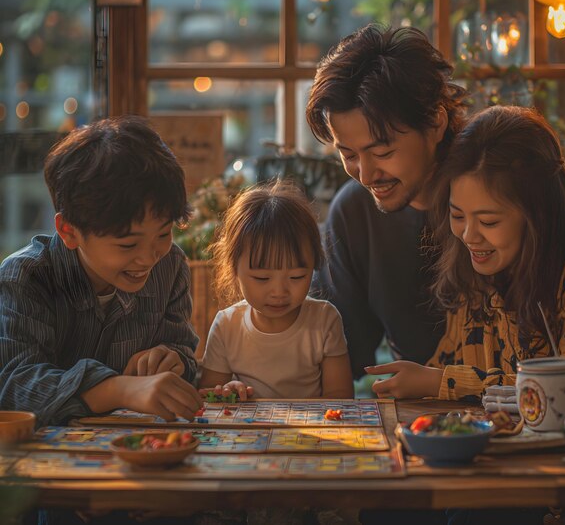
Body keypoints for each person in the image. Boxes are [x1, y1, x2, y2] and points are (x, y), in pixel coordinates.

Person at [366, 105, 565, 402]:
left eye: (489, 221)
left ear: (538, 216)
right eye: (458, 215)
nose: (468, 236)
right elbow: (444, 368)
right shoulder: (476, 275)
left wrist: (442, 383)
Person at [0, 116, 203, 429]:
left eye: (163, 234)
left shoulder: (169, 265)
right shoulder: (25, 277)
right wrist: (119, 389)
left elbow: (184, 353)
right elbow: (16, 385)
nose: (149, 257)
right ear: (69, 231)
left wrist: (173, 360)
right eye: (127, 244)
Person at [306, 23, 467, 377]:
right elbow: (344, 351)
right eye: (348, 154)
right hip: (419, 418)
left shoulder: (494, 189)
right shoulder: (355, 211)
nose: (365, 175)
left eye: (382, 151)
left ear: (436, 122)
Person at [199, 180, 354, 400]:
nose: (279, 291)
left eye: (296, 277)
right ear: (234, 269)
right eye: (262, 278)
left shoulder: (324, 320)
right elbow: (209, 398)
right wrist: (227, 391)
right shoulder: (227, 326)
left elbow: (340, 398)